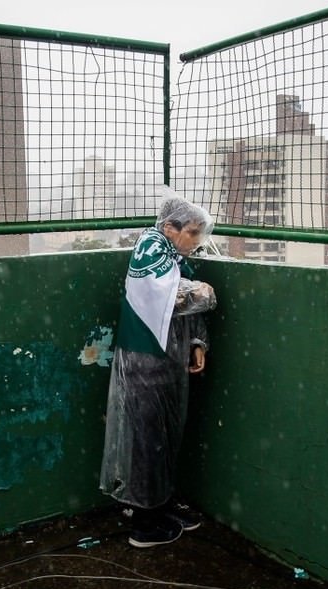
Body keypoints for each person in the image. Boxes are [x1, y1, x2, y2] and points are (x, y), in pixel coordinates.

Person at [99, 189, 217, 547]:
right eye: (192, 232)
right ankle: (145, 522)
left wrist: (196, 342)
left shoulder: (171, 254)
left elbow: (180, 297)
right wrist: (203, 293)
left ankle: (160, 505)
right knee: (147, 440)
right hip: (145, 362)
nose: (196, 241)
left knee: (163, 436)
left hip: (166, 361)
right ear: (169, 227)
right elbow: (170, 298)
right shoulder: (150, 248)